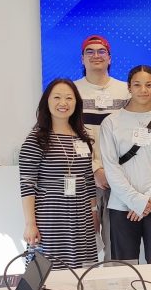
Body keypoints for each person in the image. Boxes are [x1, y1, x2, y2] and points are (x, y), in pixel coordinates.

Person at [100, 65, 151, 263]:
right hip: (122, 206)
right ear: (129, 87)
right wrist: (135, 201)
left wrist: (146, 201)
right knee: (125, 269)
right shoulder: (111, 122)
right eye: (137, 85)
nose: (143, 90)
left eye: (148, 85)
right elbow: (111, 167)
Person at [19, 78, 98, 268]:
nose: (63, 103)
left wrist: (94, 213)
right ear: (47, 101)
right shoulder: (36, 140)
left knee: (82, 270)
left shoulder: (83, 138)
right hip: (51, 218)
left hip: (81, 218)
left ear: (76, 103)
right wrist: (30, 223)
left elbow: (88, 180)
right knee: (51, 270)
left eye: (69, 98)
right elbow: (27, 185)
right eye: (57, 97)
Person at [74, 35, 129, 261]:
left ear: (110, 58)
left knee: (119, 245)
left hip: (121, 178)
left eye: (101, 51)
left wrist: (112, 171)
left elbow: (133, 136)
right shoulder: (72, 92)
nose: (96, 55)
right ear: (82, 59)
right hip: (84, 178)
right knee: (85, 242)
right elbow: (72, 136)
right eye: (90, 51)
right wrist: (95, 168)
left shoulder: (126, 90)